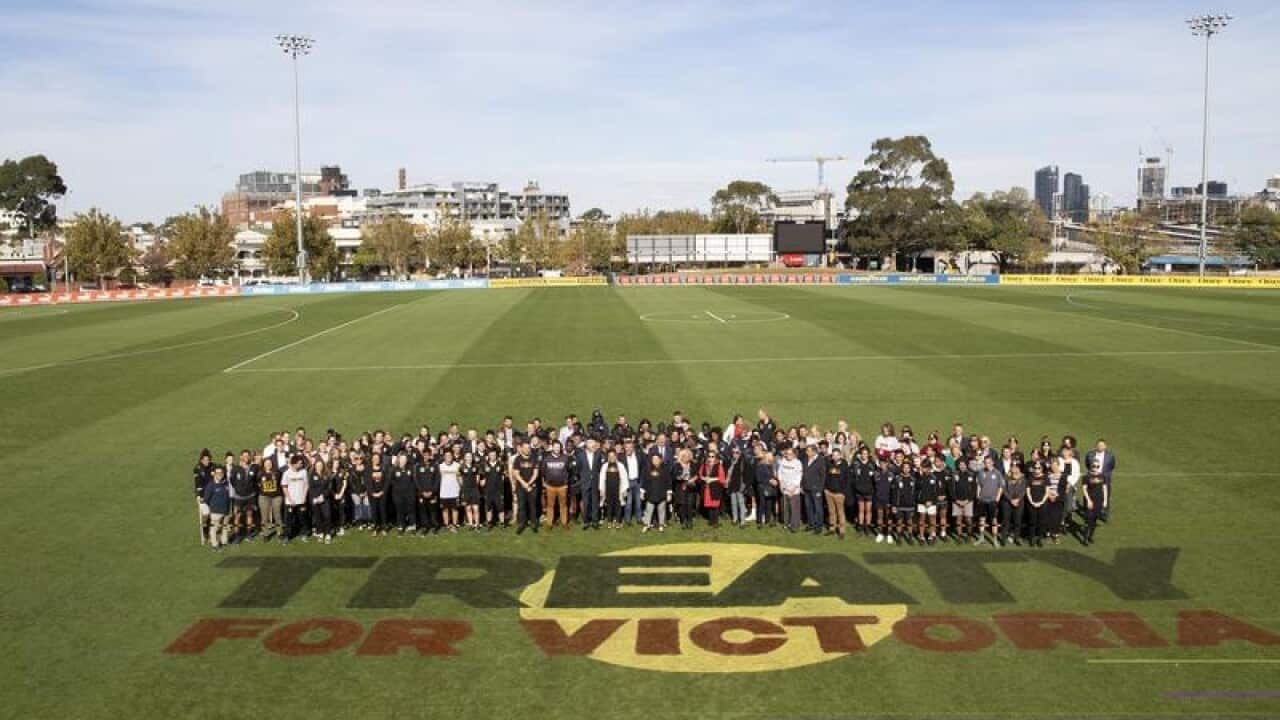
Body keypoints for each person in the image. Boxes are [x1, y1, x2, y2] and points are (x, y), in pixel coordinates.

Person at [511, 441, 540, 534]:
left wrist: (529, 484)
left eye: (529, 448)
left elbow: (536, 473)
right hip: (521, 487)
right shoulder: (517, 459)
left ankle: (534, 524)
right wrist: (524, 484)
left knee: (533, 506)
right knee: (521, 506)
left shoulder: (534, 458)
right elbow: (516, 474)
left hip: (532, 487)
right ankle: (521, 524)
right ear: (521, 448)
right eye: (525, 448)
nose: (527, 450)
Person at [541, 442, 571, 529]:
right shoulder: (547, 458)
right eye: (555, 447)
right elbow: (543, 472)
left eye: (558, 447)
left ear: (560, 448)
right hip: (550, 486)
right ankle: (549, 524)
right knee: (550, 505)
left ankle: (564, 523)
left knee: (563, 505)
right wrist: (544, 483)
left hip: (562, 486)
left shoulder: (565, 458)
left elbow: (569, 471)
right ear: (552, 448)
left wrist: (566, 483)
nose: (557, 449)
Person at [975, 455, 1004, 546]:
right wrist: (978, 495)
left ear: (992, 462)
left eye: (988, 462)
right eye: (985, 462)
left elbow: (1001, 486)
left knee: (994, 520)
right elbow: (979, 485)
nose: (987, 464)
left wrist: (997, 498)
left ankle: (995, 539)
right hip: (982, 500)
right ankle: (981, 538)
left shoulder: (997, 473)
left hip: (992, 501)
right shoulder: (981, 472)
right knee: (982, 519)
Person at [641, 449, 671, 532]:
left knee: (661, 510)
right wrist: (642, 492)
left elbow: (668, 482)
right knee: (648, 510)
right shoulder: (648, 469)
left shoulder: (665, 470)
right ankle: (647, 525)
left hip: (661, 494)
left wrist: (669, 494)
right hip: (650, 494)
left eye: (657, 459)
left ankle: (661, 525)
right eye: (653, 459)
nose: (655, 461)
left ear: (660, 460)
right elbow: (644, 482)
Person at [1085, 439, 1116, 522]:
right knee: (1091, 496)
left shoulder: (1110, 456)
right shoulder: (1090, 454)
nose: (1100, 447)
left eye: (1102, 445)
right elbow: (1087, 465)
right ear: (1096, 446)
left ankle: (1104, 514)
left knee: (1106, 496)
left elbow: (1112, 466)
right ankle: (1090, 514)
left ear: (1105, 446)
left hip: (1105, 479)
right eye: (1099, 445)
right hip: (1092, 479)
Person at [281, 454, 310, 544]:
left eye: (301, 463)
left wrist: (304, 497)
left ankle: (303, 534)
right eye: (299, 463)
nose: (301, 465)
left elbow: (306, 485)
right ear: (293, 464)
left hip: (301, 501)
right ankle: (286, 536)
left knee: (302, 519)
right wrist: (290, 499)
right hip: (290, 502)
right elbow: (284, 487)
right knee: (288, 521)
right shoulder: (287, 473)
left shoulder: (304, 472)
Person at [576, 438, 603, 529]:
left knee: (595, 502)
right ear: (587, 446)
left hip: (595, 482)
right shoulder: (580, 455)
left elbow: (599, 467)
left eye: (595, 446)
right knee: (586, 502)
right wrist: (584, 477)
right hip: (585, 482)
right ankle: (586, 521)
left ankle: (595, 521)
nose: (595, 447)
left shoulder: (598, 454)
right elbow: (579, 468)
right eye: (593, 446)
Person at [202, 466, 231, 551]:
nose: (220, 474)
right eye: (217, 473)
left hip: (226, 510)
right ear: (214, 474)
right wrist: (213, 507)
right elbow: (206, 499)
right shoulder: (210, 486)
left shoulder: (225, 484)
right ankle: (214, 545)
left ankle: (224, 541)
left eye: (221, 473)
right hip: (215, 512)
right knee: (214, 528)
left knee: (225, 527)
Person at [949, 455, 977, 542]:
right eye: (960, 464)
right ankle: (959, 536)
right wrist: (956, 500)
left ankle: (969, 535)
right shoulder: (954, 474)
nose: (962, 466)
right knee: (958, 519)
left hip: (968, 501)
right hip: (957, 501)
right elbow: (951, 489)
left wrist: (968, 500)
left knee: (968, 519)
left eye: (964, 464)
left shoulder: (971, 474)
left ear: (967, 465)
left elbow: (974, 489)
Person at [823, 448, 849, 538]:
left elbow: (847, 480)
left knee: (840, 512)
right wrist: (826, 489)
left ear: (840, 455)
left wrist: (843, 492)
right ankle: (832, 529)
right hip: (829, 492)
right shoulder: (829, 464)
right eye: (833, 455)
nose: (834, 457)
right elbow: (826, 476)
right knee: (831, 511)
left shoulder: (845, 465)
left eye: (836, 455)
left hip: (839, 493)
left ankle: (841, 531)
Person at [801, 445, 827, 534]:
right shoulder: (805, 459)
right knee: (809, 507)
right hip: (806, 487)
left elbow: (823, 476)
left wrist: (820, 489)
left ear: (814, 452)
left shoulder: (820, 460)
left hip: (816, 489)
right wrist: (802, 485)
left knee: (818, 508)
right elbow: (803, 473)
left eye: (808, 451)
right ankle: (811, 524)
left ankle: (818, 526)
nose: (806, 452)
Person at [257, 456, 284, 540]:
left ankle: (280, 532)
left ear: (272, 464)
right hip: (264, 497)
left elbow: (280, 482)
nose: (268, 465)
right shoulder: (260, 473)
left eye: (270, 463)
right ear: (264, 464)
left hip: (276, 496)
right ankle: (265, 534)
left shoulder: (277, 472)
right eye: (266, 463)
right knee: (264, 516)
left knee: (277, 514)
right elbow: (257, 483)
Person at [777, 447, 803, 533]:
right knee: (785, 507)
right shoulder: (783, 461)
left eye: (790, 454)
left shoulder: (797, 463)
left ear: (794, 454)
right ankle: (786, 523)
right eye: (787, 454)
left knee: (794, 508)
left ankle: (794, 525)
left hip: (794, 490)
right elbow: (779, 473)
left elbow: (799, 477)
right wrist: (781, 484)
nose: (788, 455)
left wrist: (793, 488)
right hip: (785, 488)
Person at [890, 462, 916, 545]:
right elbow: (893, 493)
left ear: (910, 469)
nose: (906, 469)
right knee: (899, 522)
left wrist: (914, 503)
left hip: (910, 505)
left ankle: (910, 537)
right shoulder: (897, 479)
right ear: (902, 468)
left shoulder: (913, 479)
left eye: (908, 467)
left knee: (909, 522)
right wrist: (894, 505)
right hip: (899, 505)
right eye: (904, 467)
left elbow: (915, 492)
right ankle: (899, 537)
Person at [699, 449, 726, 528]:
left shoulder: (719, 466)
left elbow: (722, 478)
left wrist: (712, 479)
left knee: (715, 506)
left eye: (712, 456)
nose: (710, 458)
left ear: (715, 458)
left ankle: (715, 522)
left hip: (715, 488)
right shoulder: (704, 465)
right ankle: (711, 521)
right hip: (707, 489)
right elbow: (700, 475)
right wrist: (704, 478)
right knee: (710, 506)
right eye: (709, 456)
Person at [309, 457, 333, 544]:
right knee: (318, 517)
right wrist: (314, 498)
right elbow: (311, 488)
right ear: (314, 466)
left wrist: (323, 496)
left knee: (327, 516)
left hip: (325, 499)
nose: (319, 467)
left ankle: (328, 534)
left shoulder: (327, 475)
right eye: (317, 465)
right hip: (315, 500)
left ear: (323, 466)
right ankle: (320, 533)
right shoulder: (312, 475)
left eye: (320, 465)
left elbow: (329, 488)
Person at [1082, 465, 1108, 545]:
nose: (1095, 468)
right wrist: (1088, 500)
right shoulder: (1086, 476)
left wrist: (1105, 500)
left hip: (1099, 501)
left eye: (1097, 466)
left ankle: (1090, 537)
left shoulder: (1102, 475)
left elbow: (1104, 488)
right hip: (1091, 501)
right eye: (1094, 466)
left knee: (1094, 521)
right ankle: (1085, 539)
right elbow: (1084, 489)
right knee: (1089, 520)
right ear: (1091, 466)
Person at [621, 439, 645, 526]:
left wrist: (641, 482)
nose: (628, 449)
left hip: (637, 481)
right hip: (627, 482)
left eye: (630, 447)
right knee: (629, 502)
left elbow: (643, 468)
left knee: (638, 502)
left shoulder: (639, 456)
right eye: (627, 447)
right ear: (624, 448)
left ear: (633, 448)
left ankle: (639, 518)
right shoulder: (621, 457)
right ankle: (627, 520)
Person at [600, 448, 627, 528]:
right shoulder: (605, 466)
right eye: (610, 456)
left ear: (616, 456)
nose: (612, 458)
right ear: (608, 457)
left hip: (618, 489)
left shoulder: (620, 465)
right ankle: (609, 521)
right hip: (608, 489)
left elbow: (624, 477)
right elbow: (602, 478)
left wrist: (624, 489)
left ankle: (618, 521)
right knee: (609, 505)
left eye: (613, 456)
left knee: (618, 506)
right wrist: (601, 489)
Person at [673, 449, 699, 530]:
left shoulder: (693, 465)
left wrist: (693, 479)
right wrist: (680, 477)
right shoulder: (677, 465)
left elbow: (697, 475)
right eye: (684, 456)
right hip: (681, 487)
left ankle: (690, 521)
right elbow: (674, 476)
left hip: (691, 487)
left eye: (688, 456)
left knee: (690, 504)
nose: (686, 458)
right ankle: (683, 521)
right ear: (681, 457)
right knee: (682, 505)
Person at [193, 450, 215, 545]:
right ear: (201, 460)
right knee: (206, 514)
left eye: (208, 459)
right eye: (205, 460)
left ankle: (210, 534)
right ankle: (205, 533)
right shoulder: (197, 469)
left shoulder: (213, 466)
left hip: (212, 495)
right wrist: (199, 495)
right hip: (203, 496)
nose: (207, 461)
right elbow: (197, 483)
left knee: (212, 515)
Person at [1001, 465, 1027, 546]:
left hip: (1019, 502)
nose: (1014, 471)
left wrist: (1018, 499)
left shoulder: (1023, 479)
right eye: (1012, 469)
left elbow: (1023, 491)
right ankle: (1003, 538)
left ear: (1019, 470)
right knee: (1006, 521)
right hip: (1007, 502)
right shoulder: (1006, 478)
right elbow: (1004, 490)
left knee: (1017, 521)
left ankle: (1016, 538)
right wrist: (1011, 500)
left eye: (1016, 469)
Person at [1026, 463, 1050, 547]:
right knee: (1032, 522)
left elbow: (1047, 492)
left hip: (1042, 504)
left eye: (1039, 468)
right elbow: (1028, 491)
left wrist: (1041, 502)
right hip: (1032, 504)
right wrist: (1032, 502)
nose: (1037, 469)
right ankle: (1032, 538)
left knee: (1041, 522)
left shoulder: (1045, 478)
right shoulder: (1030, 478)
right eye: (1035, 468)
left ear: (1042, 468)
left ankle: (1039, 539)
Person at [438, 449, 461, 532]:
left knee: (454, 509)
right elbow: (438, 479)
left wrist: (461, 489)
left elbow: (460, 478)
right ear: (444, 457)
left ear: (452, 456)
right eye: (446, 456)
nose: (448, 457)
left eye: (450, 456)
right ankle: (447, 525)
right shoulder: (440, 466)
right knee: (445, 509)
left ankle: (454, 525)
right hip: (444, 492)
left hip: (455, 492)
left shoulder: (457, 465)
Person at [481, 448, 505, 528]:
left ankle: (502, 523)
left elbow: (503, 476)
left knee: (500, 507)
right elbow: (482, 477)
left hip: (498, 490)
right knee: (489, 507)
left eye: (494, 455)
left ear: (496, 456)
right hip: (488, 490)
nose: (492, 456)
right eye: (491, 455)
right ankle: (489, 522)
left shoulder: (500, 464)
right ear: (488, 456)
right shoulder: (484, 465)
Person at [367, 453, 389, 536]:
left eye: (377, 458)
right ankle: (375, 528)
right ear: (372, 459)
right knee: (374, 511)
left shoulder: (384, 468)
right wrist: (373, 493)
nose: (376, 459)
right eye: (374, 458)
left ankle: (384, 527)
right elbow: (367, 482)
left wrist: (382, 491)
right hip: (372, 494)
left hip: (382, 493)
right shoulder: (368, 469)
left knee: (383, 510)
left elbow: (387, 481)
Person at [754, 450, 778, 527]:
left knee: (769, 504)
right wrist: (769, 480)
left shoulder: (771, 466)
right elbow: (758, 478)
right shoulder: (760, 465)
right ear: (767, 457)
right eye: (770, 456)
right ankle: (760, 521)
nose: (772, 457)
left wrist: (775, 480)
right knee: (762, 504)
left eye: (772, 456)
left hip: (770, 488)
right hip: (762, 487)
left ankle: (767, 520)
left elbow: (773, 476)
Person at [460, 451, 482, 530]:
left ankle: (477, 524)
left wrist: (475, 486)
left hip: (474, 489)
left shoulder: (476, 466)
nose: (469, 458)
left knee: (476, 508)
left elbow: (478, 477)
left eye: (470, 456)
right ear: (465, 458)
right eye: (467, 456)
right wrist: (463, 487)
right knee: (468, 508)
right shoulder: (461, 467)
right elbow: (459, 478)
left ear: (472, 458)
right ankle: (471, 524)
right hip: (466, 490)